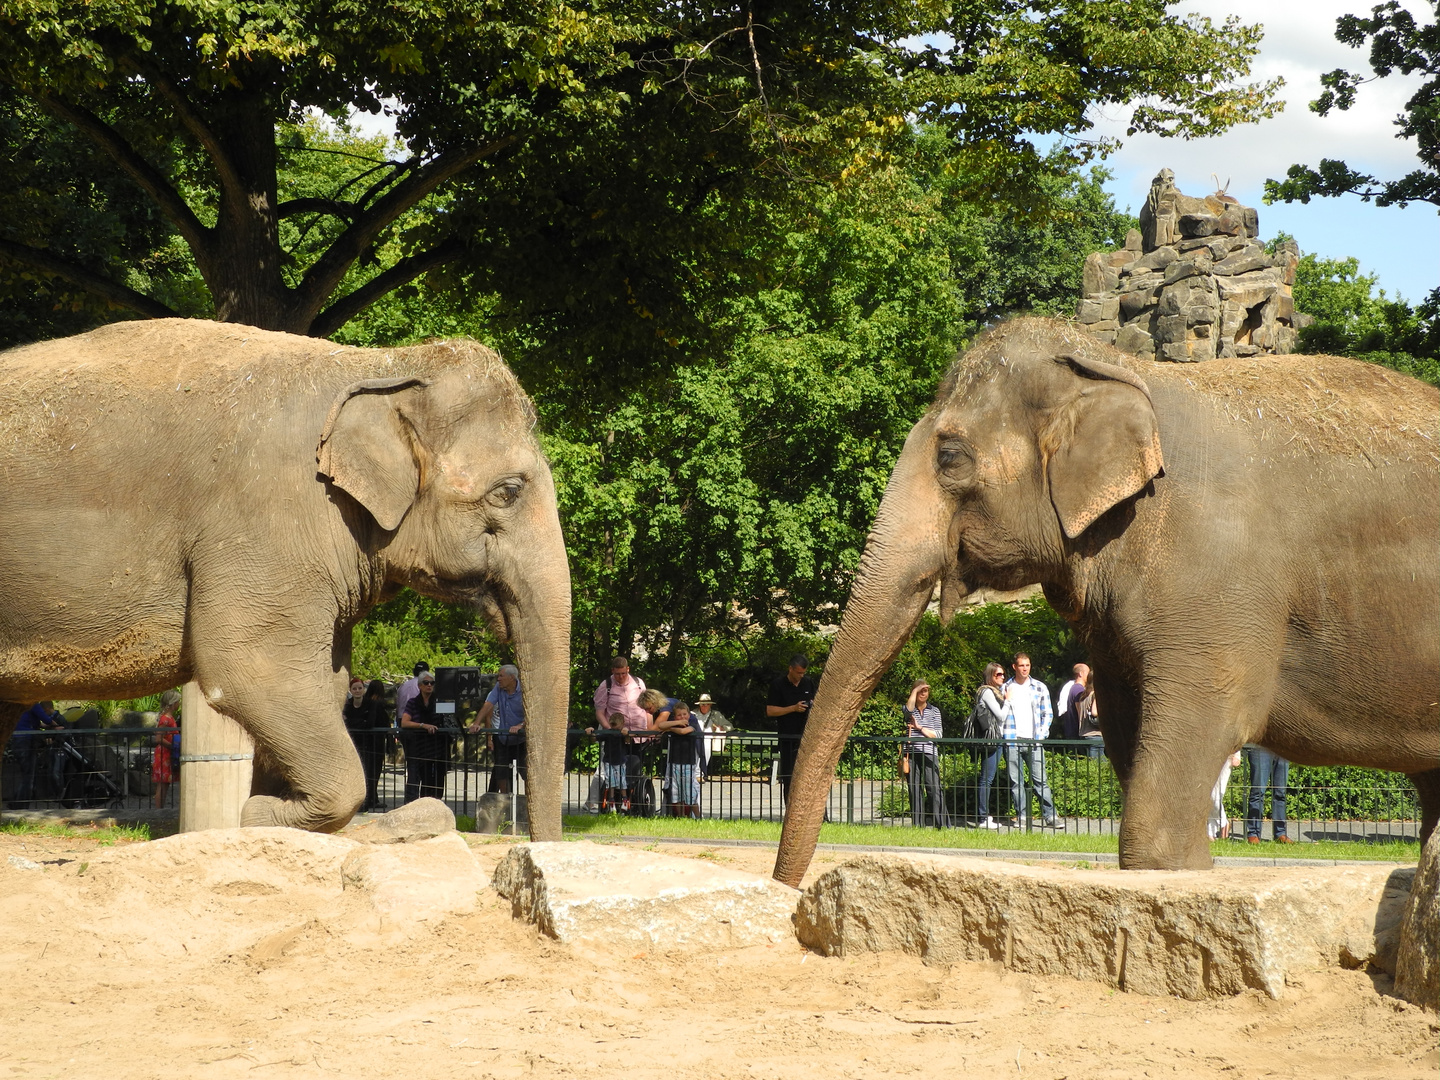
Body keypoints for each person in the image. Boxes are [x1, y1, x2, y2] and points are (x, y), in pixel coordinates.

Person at [1002, 653, 1058, 828]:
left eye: (1027, 665)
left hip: (1034, 740)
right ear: (1014, 667)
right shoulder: (1006, 687)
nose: (1025, 668)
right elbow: (1000, 715)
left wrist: (1041, 735)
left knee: (1040, 780)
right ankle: (1022, 816)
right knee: (1015, 781)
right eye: (1021, 665)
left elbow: (1047, 713)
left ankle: (1051, 816)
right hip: (1012, 739)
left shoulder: (1039, 687)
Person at [587, 657, 649, 811]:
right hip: (615, 736)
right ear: (612, 671)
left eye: (623, 673)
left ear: (628, 669)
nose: (620, 677)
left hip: (637, 735)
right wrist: (610, 731)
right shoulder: (606, 685)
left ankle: (632, 803)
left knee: (634, 769)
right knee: (608, 768)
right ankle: (598, 802)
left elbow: (648, 708)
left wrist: (650, 731)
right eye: (617, 674)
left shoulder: (638, 683)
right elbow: (600, 712)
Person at [766, 654, 815, 810]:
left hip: (806, 736)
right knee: (788, 776)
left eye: (803, 673)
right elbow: (770, 711)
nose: (801, 676)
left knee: (808, 775)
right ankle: (790, 809)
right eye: (798, 672)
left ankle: (811, 810)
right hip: (787, 736)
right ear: (790, 669)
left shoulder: (808, 683)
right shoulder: (778, 685)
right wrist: (793, 708)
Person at [468, 665, 525, 794]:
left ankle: (530, 804)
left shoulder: (524, 690)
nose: (498, 679)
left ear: (512, 678)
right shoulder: (499, 688)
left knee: (526, 772)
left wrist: (520, 726)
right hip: (503, 737)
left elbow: (532, 713)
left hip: (521, 738)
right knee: (501, 772)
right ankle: (506, 801)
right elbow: (488, 705)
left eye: (501, 676)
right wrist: (476, 723)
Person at [903, 680, 948, 829]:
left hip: (929, 753)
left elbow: (938, 734)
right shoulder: (910, 709)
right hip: (911, 753)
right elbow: (907, 711)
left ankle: (941, 824)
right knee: (914, 789)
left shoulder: (934, 711)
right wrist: (914, 692)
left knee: (934, 788)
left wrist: (919, 728)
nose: (923, 693)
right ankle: (918, 825)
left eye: (926, 691)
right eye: (920, 691)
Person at [399, 670, 449, 803]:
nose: (429, 686)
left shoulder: (439, 702)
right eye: (426, 683)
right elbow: (404, 722)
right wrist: (423, 725)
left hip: (438, 747)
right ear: (420, 685)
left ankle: (436, 805)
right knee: (424, 779)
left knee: (438, 780)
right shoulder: (413, 702)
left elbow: (450, 718)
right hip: (421, 747)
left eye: (432, 683)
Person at [344, 678, 389, 811]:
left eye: (359, 688)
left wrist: (352, 722)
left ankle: (368, 800)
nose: (357, 691)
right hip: (353, 744)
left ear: (364, 689)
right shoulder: (347, 705)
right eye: (354, 689)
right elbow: (344, 723)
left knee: (369, 773)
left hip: (369, 744)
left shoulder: (371, 704)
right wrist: (358, 722)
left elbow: (369, 723)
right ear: (350, 690)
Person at [10, 700, 64, 807]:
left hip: (19, 740)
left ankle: (17, 803)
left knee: (26, 774)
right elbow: (46, 719)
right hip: (26, 741)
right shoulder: (33, 703)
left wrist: (48, 726)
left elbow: (38, 723)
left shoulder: (23, 704)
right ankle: (20, 806)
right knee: (28, 776)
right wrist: (57, 726)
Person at [973, 664, 1007, 829]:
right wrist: (1008, 701)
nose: (1002, 677)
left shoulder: (994, 692)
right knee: (986, 778)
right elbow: (1000, 716)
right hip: (991, 740)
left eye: (1003, 674)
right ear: (990, 676)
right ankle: (982, 817)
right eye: (998, 675)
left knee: (988, 778)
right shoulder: (986, 692)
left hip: (996, 739)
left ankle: (984, 815)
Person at [655, 701, 702, 819]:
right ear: (675, 716)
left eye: (684, 714)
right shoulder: (676, 722)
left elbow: (683, 731)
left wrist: (670, 728)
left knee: (689, 793)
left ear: (689, 714)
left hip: (688, 763)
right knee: (677, 793)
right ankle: (681, 817)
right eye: (679, 715)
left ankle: (698, 817)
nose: (682, 717)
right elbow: (660, 726)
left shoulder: (692, 722)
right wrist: (677, 723)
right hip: (674, 762)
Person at [584, 712, 631, 813]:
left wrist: (627, 734)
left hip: (620, 761)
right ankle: (612, 801)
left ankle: (625, 800)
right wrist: (591, 733)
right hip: (608, 761)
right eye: (612, 726)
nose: (614, 729)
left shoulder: (622, 733)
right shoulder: (608, 733)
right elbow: (595, 738)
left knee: (622, 782)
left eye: (616, 727)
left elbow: (628, 741)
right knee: (611, 782)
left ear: (622, 723)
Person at [1246, 747, 1293, 844]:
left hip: (1282, 747)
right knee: (1258, 792)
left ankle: (1280, 833)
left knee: (1280, 793)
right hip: (1260, 746)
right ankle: (1253, 833)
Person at [152, 690, 181, 809]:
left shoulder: (169, 718)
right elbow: (159, 738)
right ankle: (159, 810)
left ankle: (161, 808)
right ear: (173, 703)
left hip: (167, 752)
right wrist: (172, 746)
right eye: (178, 701)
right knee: (162, 783)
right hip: (164, 753)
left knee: (166, 782)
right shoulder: (165, 719)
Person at [1209, 750, 1243, 840]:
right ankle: (1213, 830)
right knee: (1209, 795)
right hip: (1208, 757)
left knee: (1216, 796)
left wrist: (1237, 755)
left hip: (1226, 757)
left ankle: (1222, 824)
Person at [695, 693, 731, 776]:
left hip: (708, 738)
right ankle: (695, 774)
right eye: (702, 704)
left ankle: (700, 774)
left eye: (706, 704)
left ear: (710, 705)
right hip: (695, 737)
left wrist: (721, 727)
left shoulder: (716, 715)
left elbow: (729, 726)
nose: (704, 706)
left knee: (706, 748)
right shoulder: (693, 714)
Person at [1057, 663, 1090, 741]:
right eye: (1088, 673)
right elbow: (1081, 713)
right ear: (1081, 674)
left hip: (1072, 732)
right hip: (1077, 734)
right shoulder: (1078, 690)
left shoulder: (1073, 688)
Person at [395, 660, 431, 728]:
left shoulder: (403, 685)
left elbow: (398, 704)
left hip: (401, 719)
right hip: (416, 720)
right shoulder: (423, 685)